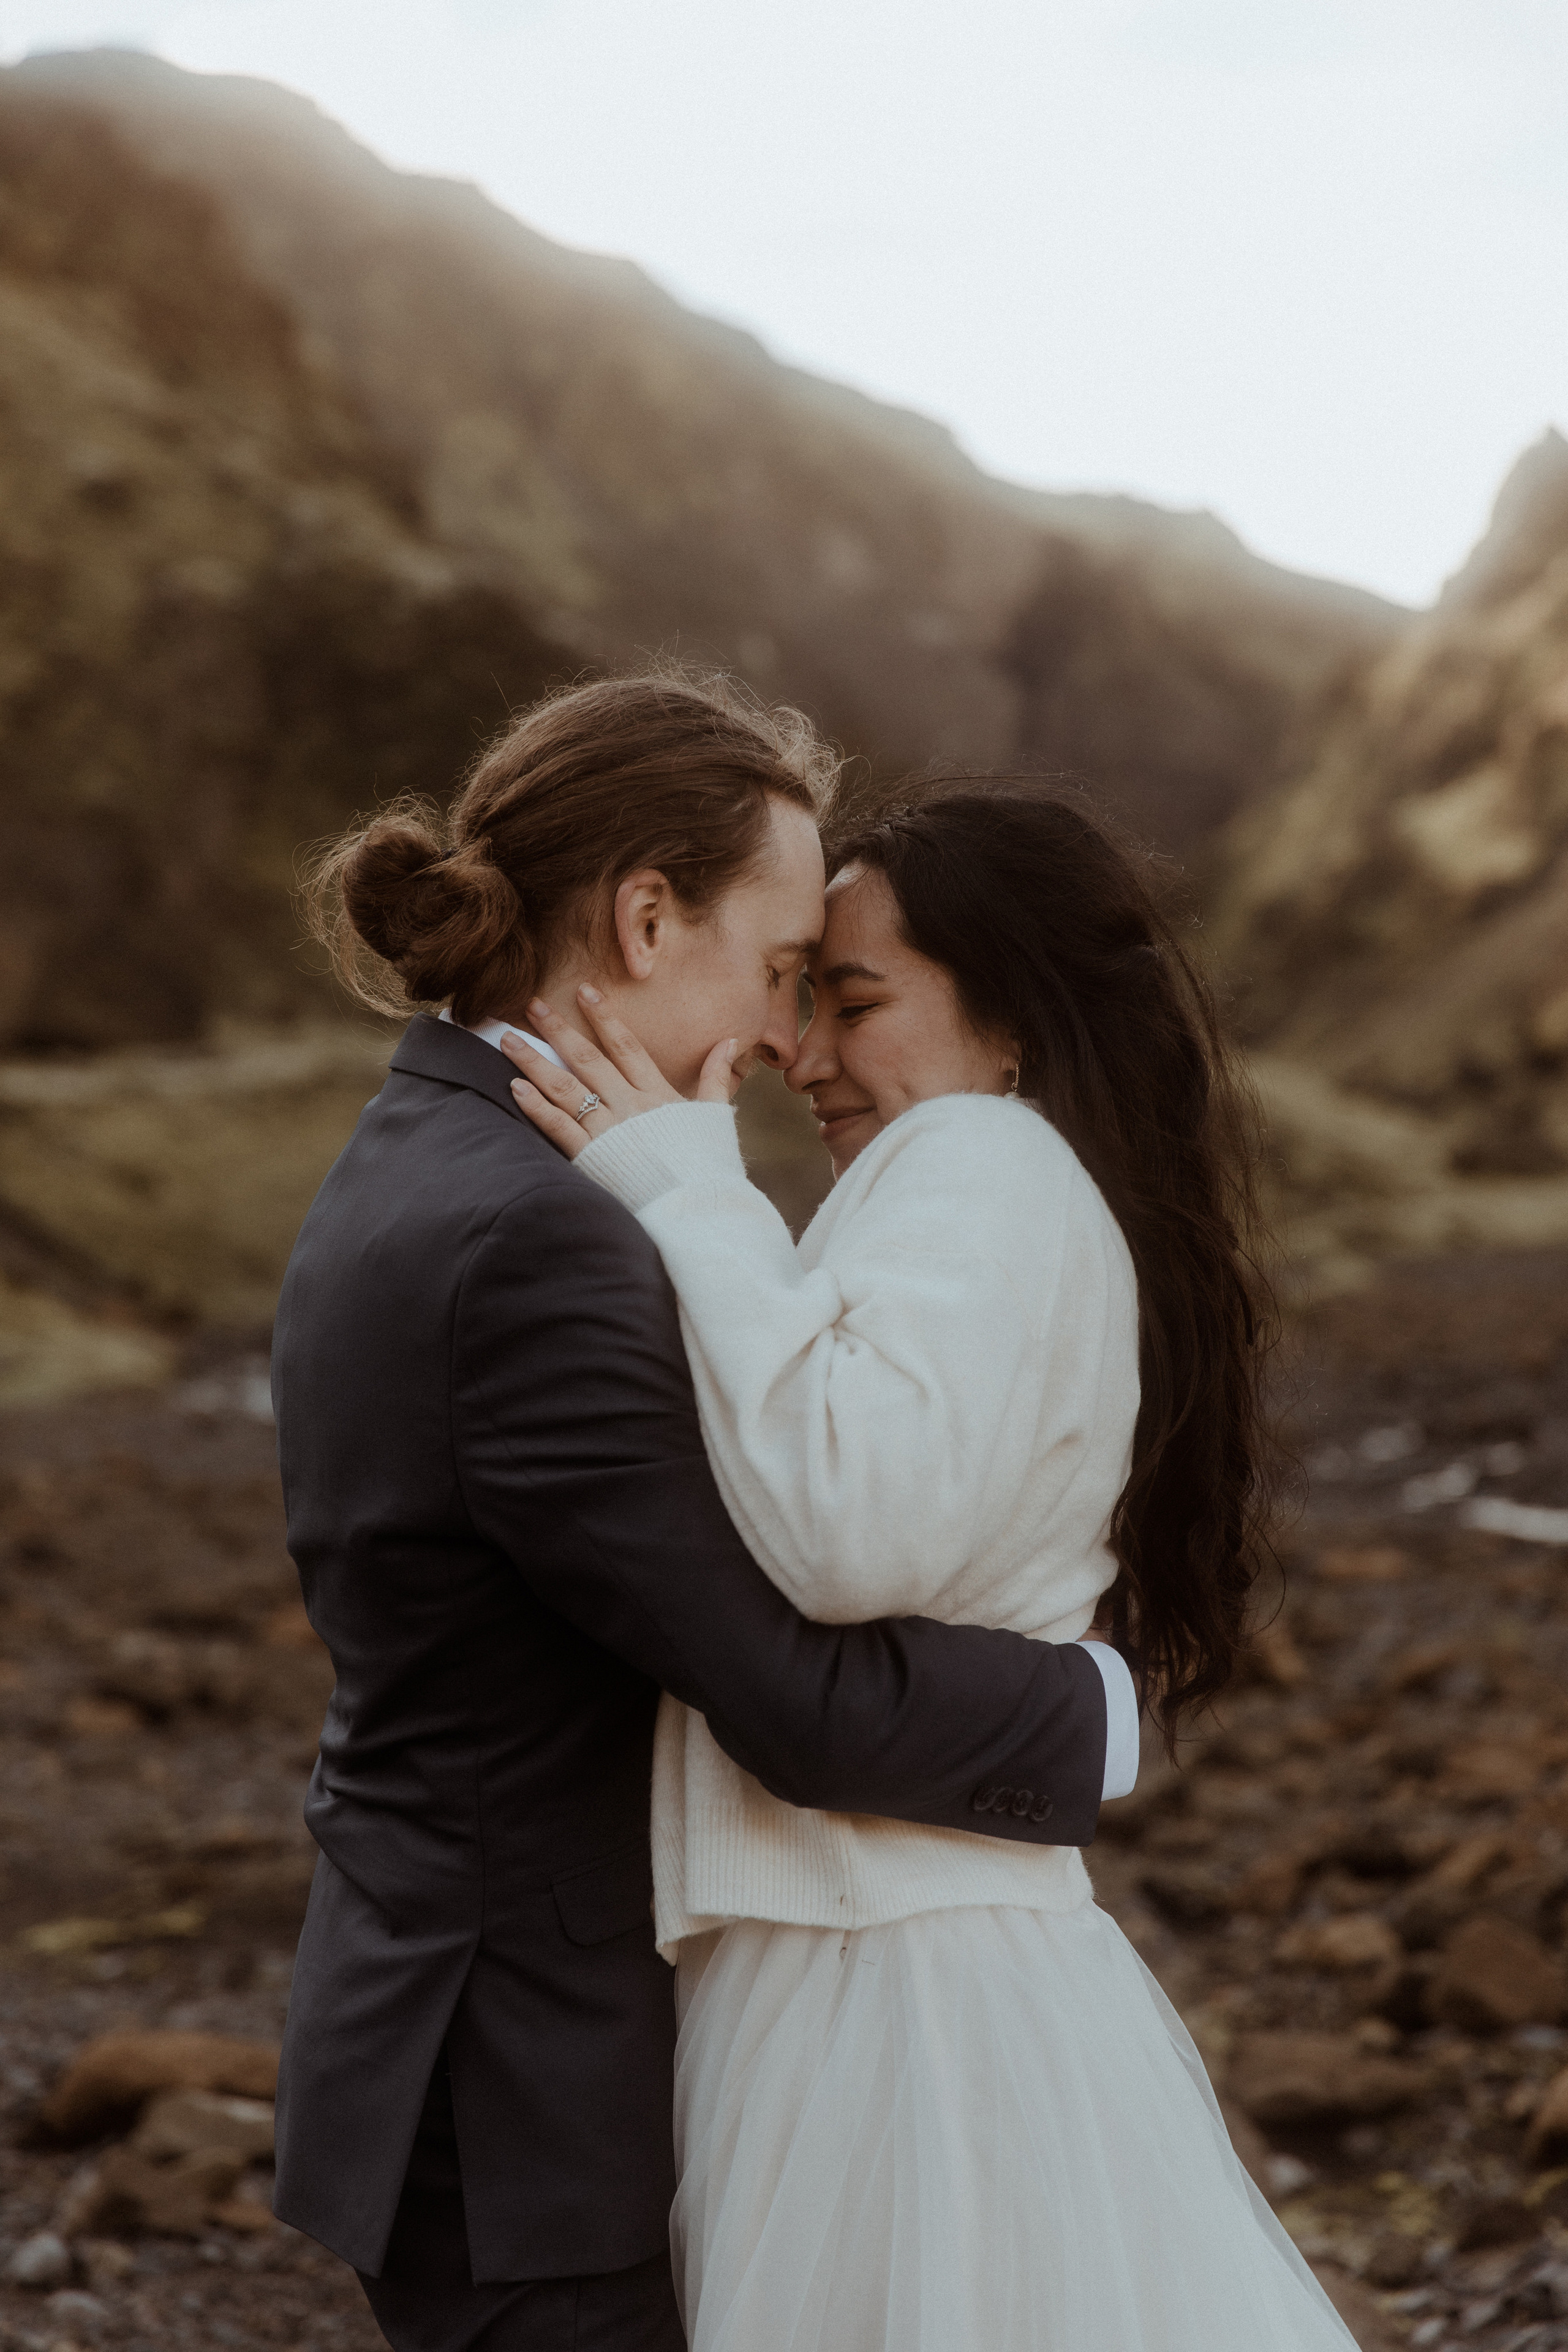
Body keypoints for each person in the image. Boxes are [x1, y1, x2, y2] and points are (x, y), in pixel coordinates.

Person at [270, 676, 1138, 2352]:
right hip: (534, 2097)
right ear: (649, 918)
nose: (779, 1041)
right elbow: (788, 1695)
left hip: (451, 2033)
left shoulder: (420, 1147)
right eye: (778, 968)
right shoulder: (545, 1238)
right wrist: (1090, 1711)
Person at [508, 774, 1359, 2352]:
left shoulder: (973, 1153)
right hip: (898, 1947)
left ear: (1014, 1019)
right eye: (804, 1000)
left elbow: (842, 1532)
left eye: (859, 1001)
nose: (809, 1057)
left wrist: (686, 1184)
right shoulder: (999, 1184)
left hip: (886, 1986)